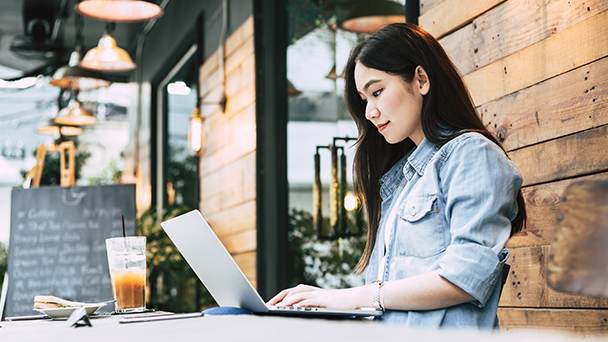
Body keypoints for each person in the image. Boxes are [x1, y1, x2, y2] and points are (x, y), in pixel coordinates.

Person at [267, 22, 526, 329]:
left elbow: (466, 279)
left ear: (421, 80)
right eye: (364, 100)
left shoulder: (470, 154)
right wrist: (329, 304)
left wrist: (347, 297)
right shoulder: (402, 180)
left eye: (377, 92)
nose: (369, 112)